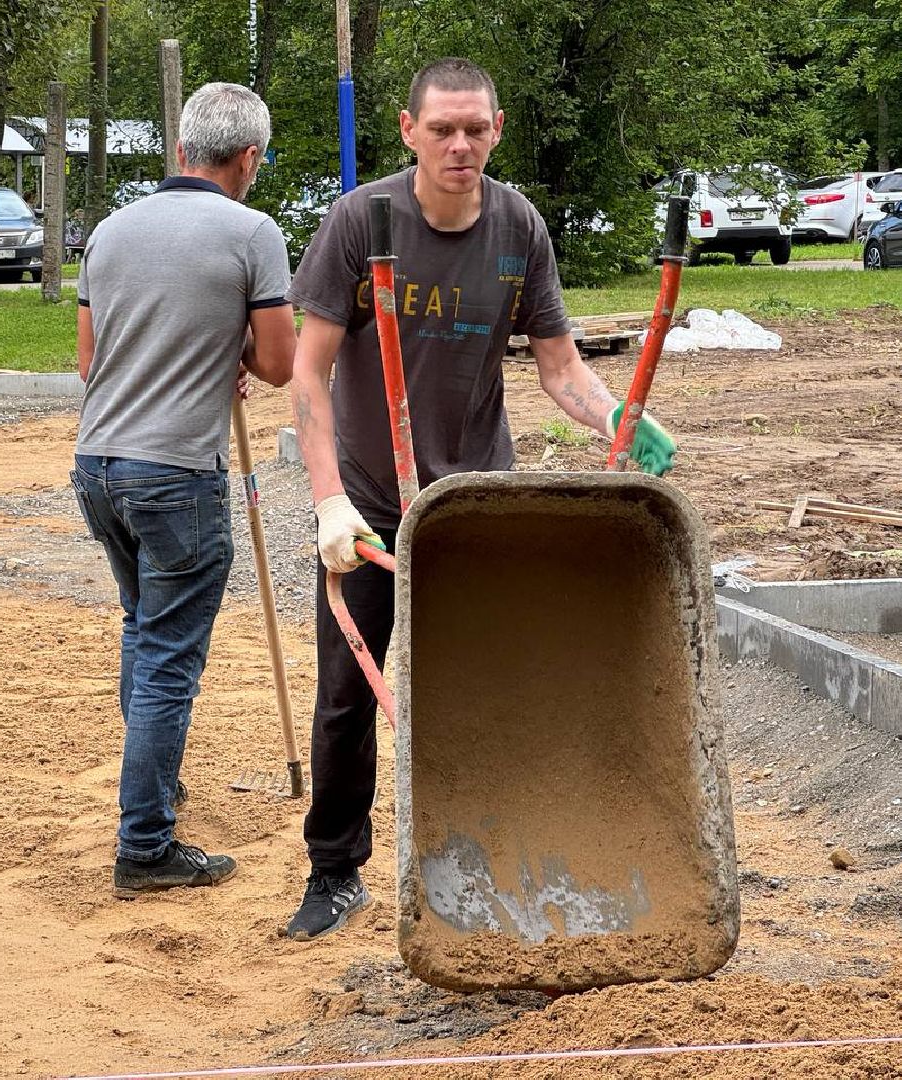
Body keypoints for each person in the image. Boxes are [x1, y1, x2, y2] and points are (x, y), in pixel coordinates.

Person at [283, 58, 677, 940]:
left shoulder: (518, 225)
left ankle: (495, 849)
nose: (460, 145)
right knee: (349, 689)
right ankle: (333, 870)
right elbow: (306, 375)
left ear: (497, 129)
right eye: (442, 129)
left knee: (485, 687)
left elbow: (558, 364)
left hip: (472, 503)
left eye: (476, 129)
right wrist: (327, 502)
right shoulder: (358, 222)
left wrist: (616, 418)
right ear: (407, 129)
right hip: (374, 502)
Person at [71, 82, 296, 898]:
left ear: (180, 151)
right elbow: (277, 364)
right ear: (250, 158)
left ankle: (154, 790)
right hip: (176, 475)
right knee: (168, 659)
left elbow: (92, 363)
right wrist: (229, 349)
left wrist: (203, 354)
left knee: (143, 630)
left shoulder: (108, 231)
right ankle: (145, 845)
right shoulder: (252, 232)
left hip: (97, 465)